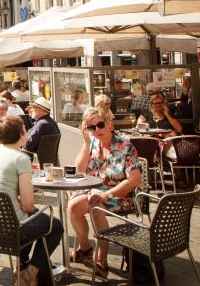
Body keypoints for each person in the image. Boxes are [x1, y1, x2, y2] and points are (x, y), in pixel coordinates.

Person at [0, 115, 62, 286]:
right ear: (21, 133)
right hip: (13, 232)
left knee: (35, 218)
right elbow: (28, 205)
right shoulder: (21, 158)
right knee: (54, 226)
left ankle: (21, 267)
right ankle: (31, 272)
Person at [68, 107, 141, 277]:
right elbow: (79, 169)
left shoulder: (125, 146)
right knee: (73, 207)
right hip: (95, 191)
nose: (97, 130)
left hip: (121, 195)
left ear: (109, 124)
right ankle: (85, 248)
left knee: (95, 204)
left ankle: (102, 261)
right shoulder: (92, 142)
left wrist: (105, 195)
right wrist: (86, 143)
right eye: (91, 127)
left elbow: (134, 180)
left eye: (100, 125)